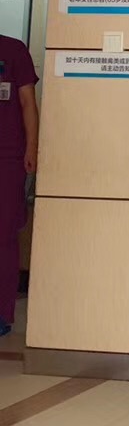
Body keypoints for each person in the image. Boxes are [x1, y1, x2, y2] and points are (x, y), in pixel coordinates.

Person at [0, 33, 37, 338]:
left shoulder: (13, 50)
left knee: (4, 236)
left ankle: (2, 313)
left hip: (8, 157)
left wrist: (32, 148)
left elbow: (28, 103)